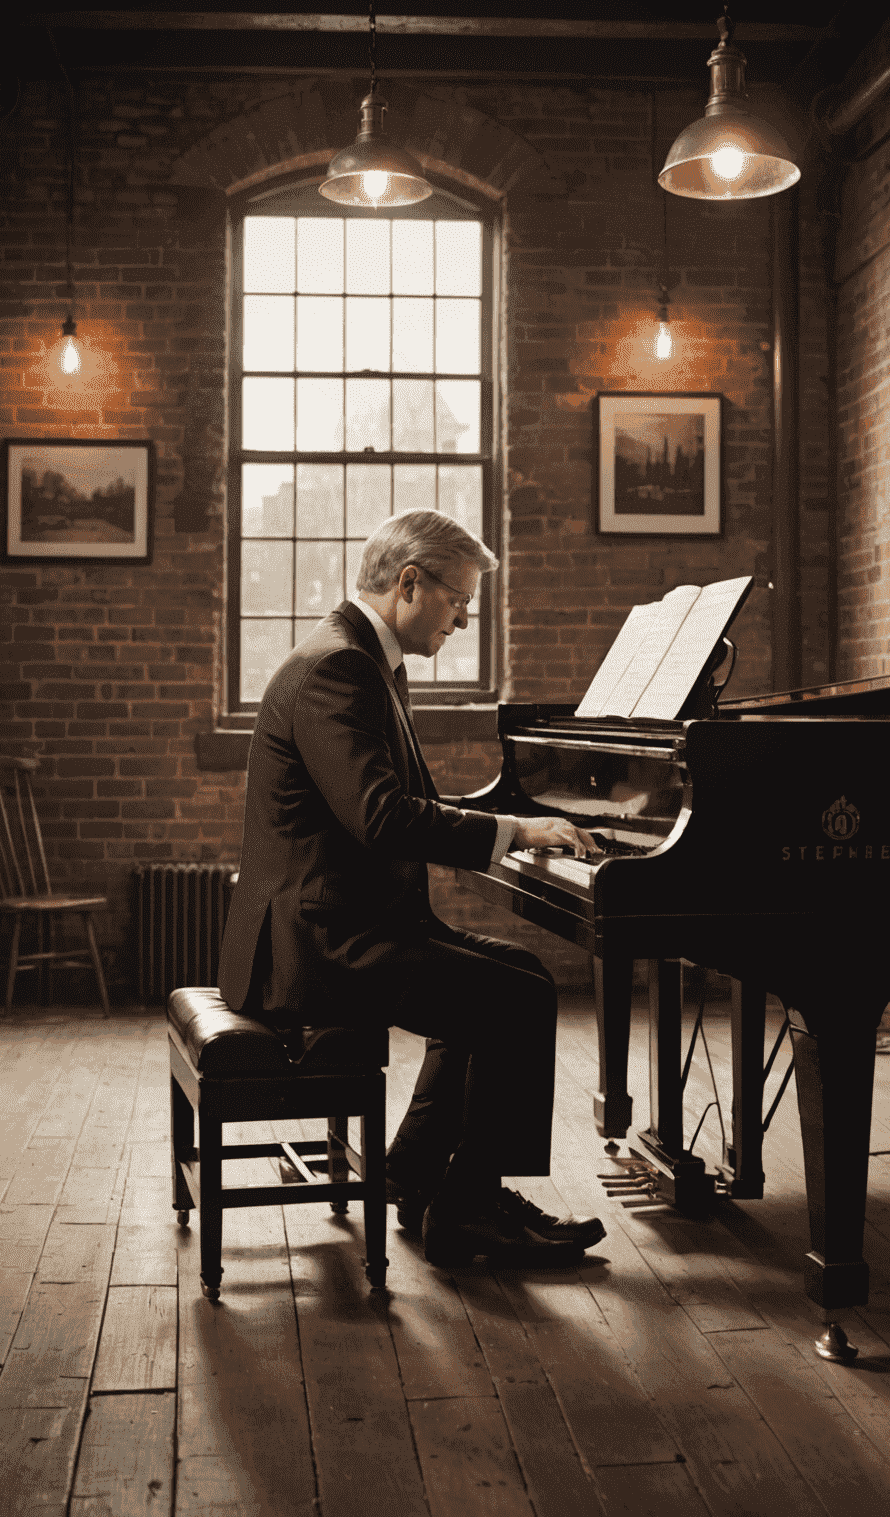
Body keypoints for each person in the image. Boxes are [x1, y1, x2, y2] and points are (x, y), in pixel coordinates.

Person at [219, 508, 606, 1266]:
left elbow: (401, 806)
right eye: (459, 600)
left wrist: (506, 821)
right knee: (515, 999)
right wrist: (516, 834)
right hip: (317, 945)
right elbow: (382, 818)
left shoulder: (363, 657)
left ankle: (417, 1178)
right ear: (408, 583)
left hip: (346, 920)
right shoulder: (341, 666)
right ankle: (467, 1212)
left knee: (520, 975)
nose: (463, 621)